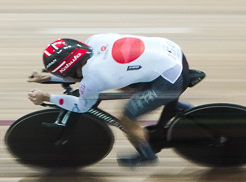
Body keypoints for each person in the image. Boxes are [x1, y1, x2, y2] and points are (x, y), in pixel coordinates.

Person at [28, 34, 198, 167]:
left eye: (62, 73)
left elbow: (81, 106)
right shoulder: (94, 40)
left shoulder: (95, 77)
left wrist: (47, 97)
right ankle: (176, 107)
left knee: (127, 118)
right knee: (124, 82)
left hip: (170, 79)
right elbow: (78, 73)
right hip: (172, 51)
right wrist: (49, 77)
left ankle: (147, 156)